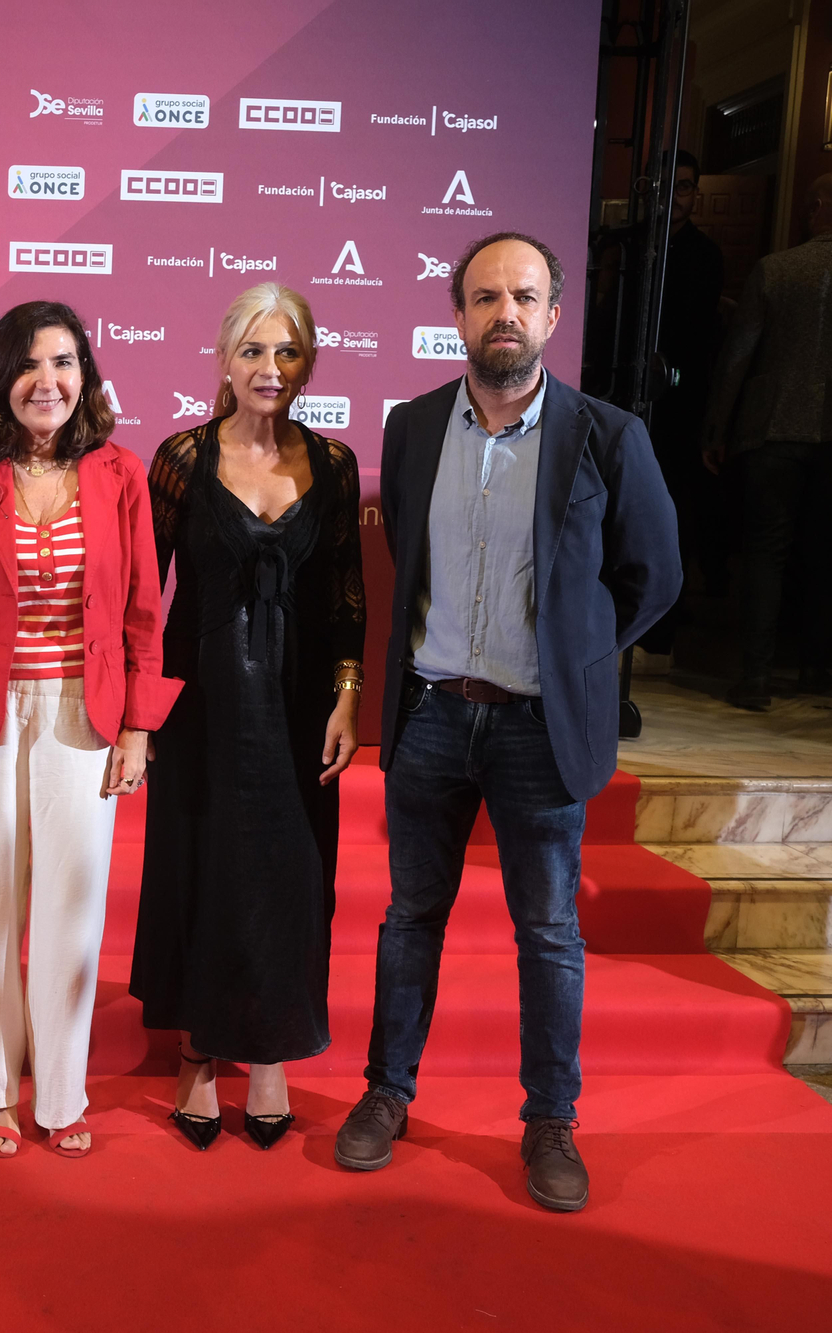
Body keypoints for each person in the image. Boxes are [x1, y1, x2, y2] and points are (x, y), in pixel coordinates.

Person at [336, 233, 678, 1212]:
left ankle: (549, 1121)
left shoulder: (607, 436)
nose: (504, 314)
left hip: (538, 729)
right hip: (433, 719)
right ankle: (385, 1093)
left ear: (552, 314)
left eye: (522, 296)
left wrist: (575, 651)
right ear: (456, 314)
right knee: (409, 919)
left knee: (547, 931)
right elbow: (405, 555)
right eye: (484, 296)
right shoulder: (408, 430)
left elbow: (651, 575)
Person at [0, 302, 166, 1159]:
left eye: (63, 362)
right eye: (28, 364)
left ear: (85, 375)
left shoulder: (120, 474)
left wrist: (137, 726)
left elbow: (141, 613)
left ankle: (60, 1092)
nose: (46, 381)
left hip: (83, 718)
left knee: (68, 912)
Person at [129, 283, 364, 1153]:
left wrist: (347, 693)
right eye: (256, 351)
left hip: (298, 707)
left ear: (308, 364)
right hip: (201, 705)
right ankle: (197, 1056)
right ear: (226, 359)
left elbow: (347, 593)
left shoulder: (331, 464)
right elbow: (142, 600)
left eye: (289, 352)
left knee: (292, 877)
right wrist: (138, 712)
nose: (272, 369)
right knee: (201, 867)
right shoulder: (180, 458)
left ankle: (269, 1055)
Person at [704, 173, 832, 709]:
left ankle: (755, 677)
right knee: (826, 554)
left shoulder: (776, 270)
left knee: (765, 552)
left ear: (817, 209)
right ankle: (816, 671)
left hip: (774, 429)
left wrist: (715, 428)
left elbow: (737, 358)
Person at [633, 149, 726, 669]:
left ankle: (661, 634)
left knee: (670, 515)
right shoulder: (627, 248)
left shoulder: (706, 255)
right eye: (668, 187)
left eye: (686, 188)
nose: (677, 199)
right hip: (623, 398)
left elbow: (696, 335)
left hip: (679, 405)